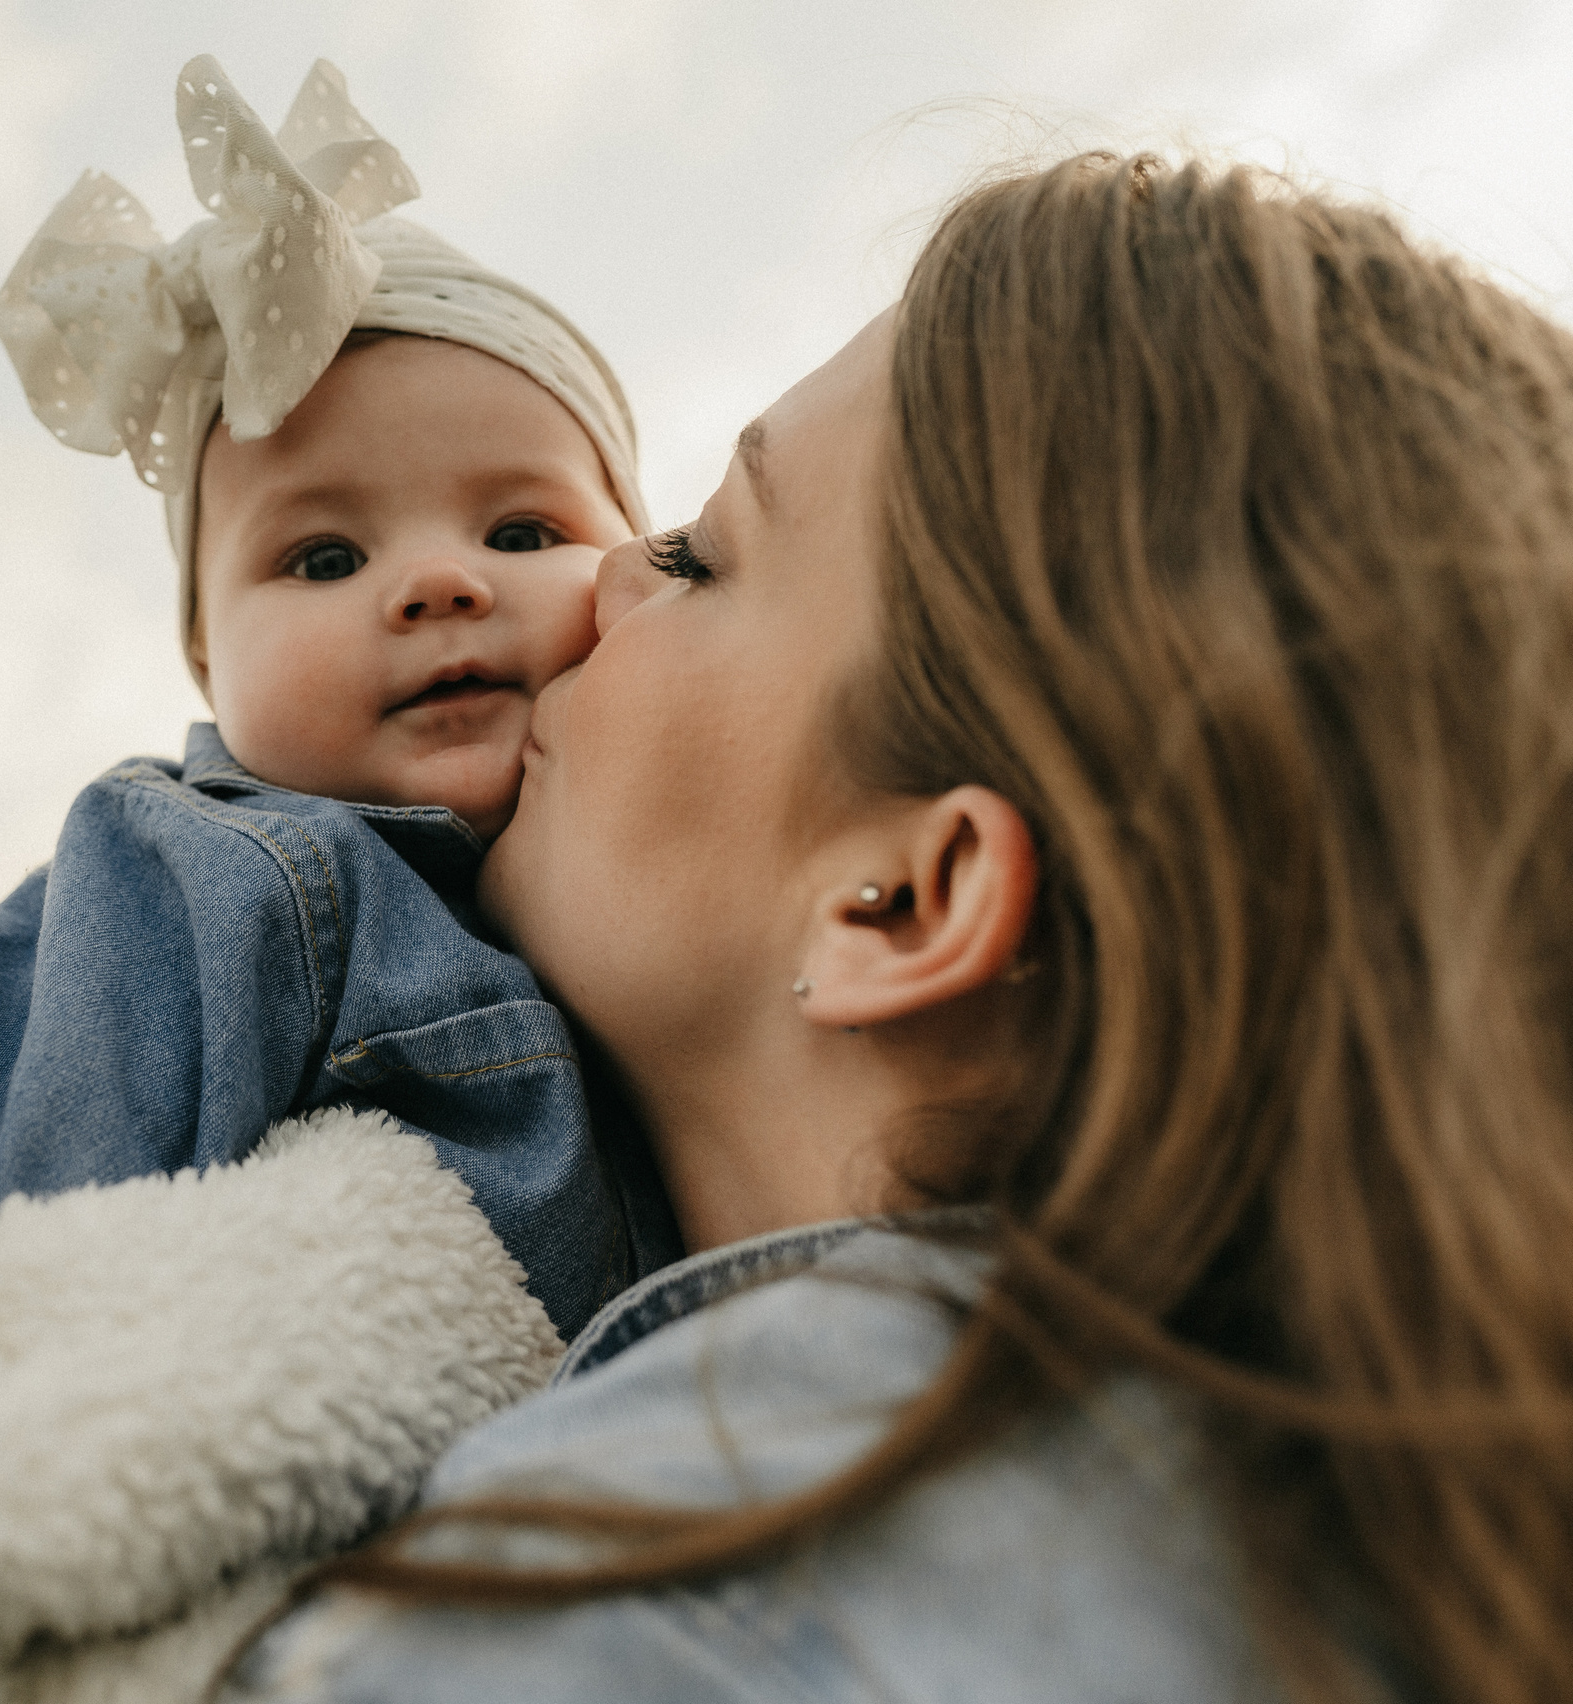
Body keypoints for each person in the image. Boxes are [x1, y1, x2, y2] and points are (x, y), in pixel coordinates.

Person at [224, 152, 1573, 1702]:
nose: (596, 581)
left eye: (700, 559)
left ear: (901, 904)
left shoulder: (657, 1592)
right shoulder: (1373, 1529)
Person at [0, 57, 678, 1338]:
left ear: (638, 563)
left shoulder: (679, 846)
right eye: (325, 560)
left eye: (521, 532)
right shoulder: (204, 875)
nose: (436, 583)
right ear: (203, 653)